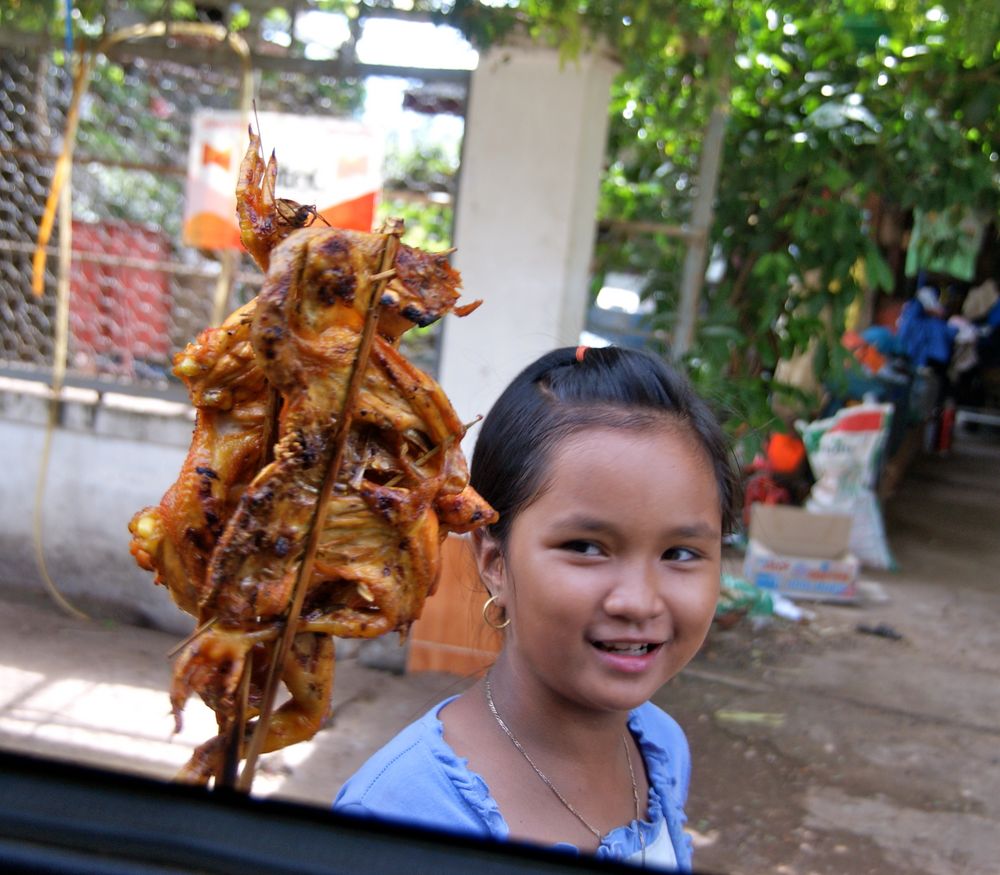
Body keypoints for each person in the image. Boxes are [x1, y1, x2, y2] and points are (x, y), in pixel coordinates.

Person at [334, 345, 740, 870]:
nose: (638, 601)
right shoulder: (398, 817)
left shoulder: (660, 747)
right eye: (586, 547)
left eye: (680, 553)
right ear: (494, 559)